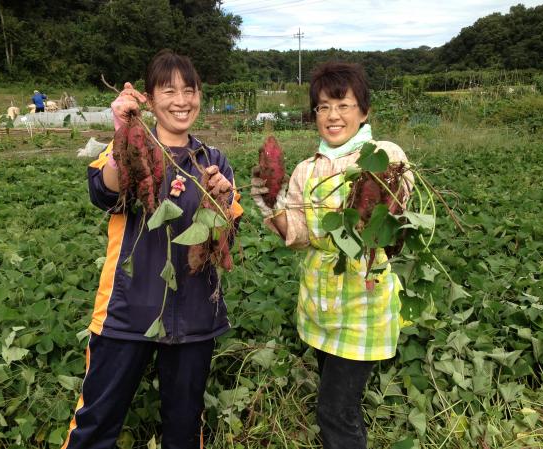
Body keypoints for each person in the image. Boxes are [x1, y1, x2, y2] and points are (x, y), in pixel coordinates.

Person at [61, 50, 242, 449]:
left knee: (183, 427)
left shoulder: (212, 160)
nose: (182, 100)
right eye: (169, 90)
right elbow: (104, 190)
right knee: (96, 422)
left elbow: (229, 230)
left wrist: (223, 200)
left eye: (190, 90)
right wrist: (123, 131)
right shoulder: (130, 147)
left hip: (195, 316)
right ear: (149, 97)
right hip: (126, 312)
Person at [251, 61, 411, 449]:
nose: (333, 115)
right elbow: (300, 235)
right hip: (320, 304)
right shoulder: (307, 169)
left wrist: (380, 190)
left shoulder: (383, 153)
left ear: (364, 111)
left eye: (343, 104)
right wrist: (267, 201)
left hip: (364, 303)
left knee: (334, 410)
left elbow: (394, 214)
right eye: (323, 106)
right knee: (342, 406)